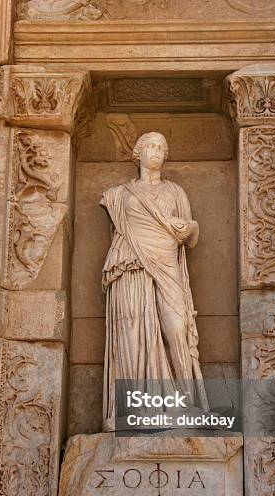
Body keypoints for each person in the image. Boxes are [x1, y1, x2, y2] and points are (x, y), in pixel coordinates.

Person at [100, 131, 209, 431]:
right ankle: (134, 406)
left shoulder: (176, 192)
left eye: (162, 146)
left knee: (176, 328)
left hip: (166, 264)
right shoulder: (119, 194)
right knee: (133, 332)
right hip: (130, 265)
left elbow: (190, 236)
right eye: (151, 145)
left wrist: (186, 228)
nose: (156, 151)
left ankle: (186, 402)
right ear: (138, 152)